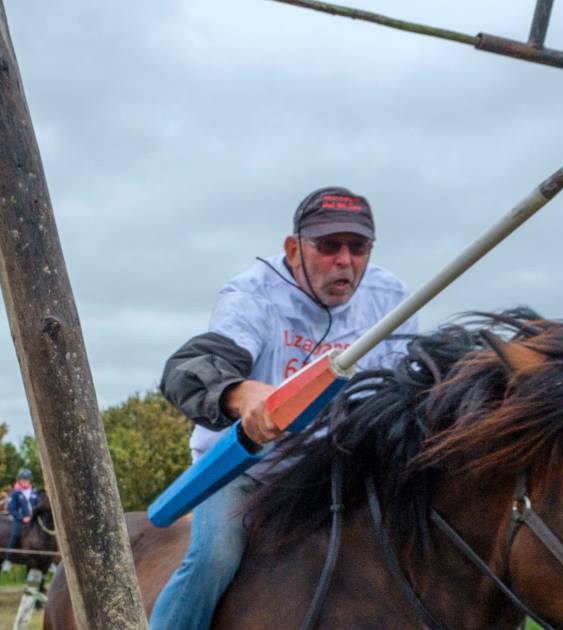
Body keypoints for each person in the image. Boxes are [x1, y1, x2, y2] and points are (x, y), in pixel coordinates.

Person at [150, 186, 418, 630]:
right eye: (328, 246)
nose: (345, 261)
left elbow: (401, 396)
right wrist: (240, 394)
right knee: (214, 557)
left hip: (333, 469)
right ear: (294, 249)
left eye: (358, 247)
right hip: (244, 468)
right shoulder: (252, 294)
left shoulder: (393, 301)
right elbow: (192, 368)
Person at [3, 468, 36, 568]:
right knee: (15, 534)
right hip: (19, 520)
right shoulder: (15, 493)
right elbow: (11, 508)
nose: (25, 482)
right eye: (23, 480)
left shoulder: (34, 493)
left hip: (33, 520)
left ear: (30, 481)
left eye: (27, 480)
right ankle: (8, 559)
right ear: (19, 481)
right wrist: (22, 518)